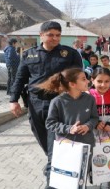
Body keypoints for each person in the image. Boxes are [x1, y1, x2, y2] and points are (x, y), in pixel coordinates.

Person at [8, 20, 83, 187]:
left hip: (60, 105)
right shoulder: (29, 54)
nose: (55, 38)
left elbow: (78, 78)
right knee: (44, 139)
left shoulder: (69, 54)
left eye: (58, 35)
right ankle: (52, 162)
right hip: (35, 104)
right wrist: (13, 100)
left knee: (54, 144)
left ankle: (52, 179)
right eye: (50, 35)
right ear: (41, 35)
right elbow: (19, 78)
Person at [37, 68, 99, 188]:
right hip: (65, 148)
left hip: (86, 146)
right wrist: (69, 129)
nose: (88, 81)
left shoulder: (90, 99)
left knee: (81, 178)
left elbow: (94, 118)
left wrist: (88, 126)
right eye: (83, 79)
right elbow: (50, 123)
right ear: (72, 84)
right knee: (65, 180)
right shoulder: (57, 101)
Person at [89, 68, 110, 189]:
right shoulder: (87, 96)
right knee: (93, 158)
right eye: (99, 81)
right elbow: (83, 114)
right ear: (92, 80)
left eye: (107, 81)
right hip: (91, 135)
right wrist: (95, 122)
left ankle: (107, 183)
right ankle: (94, 176)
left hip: (109, 135)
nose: (103, 85)